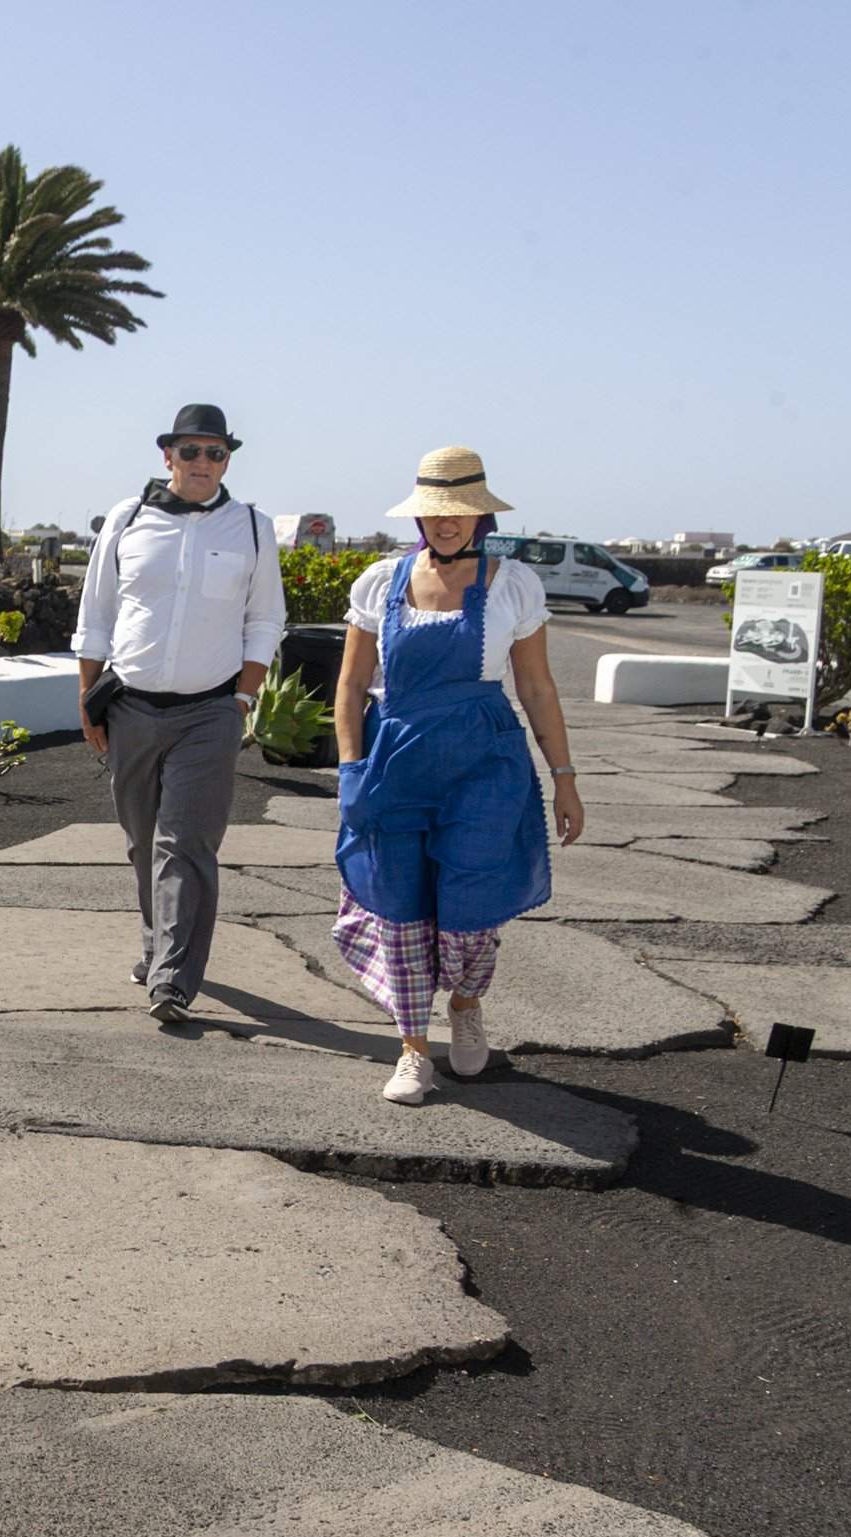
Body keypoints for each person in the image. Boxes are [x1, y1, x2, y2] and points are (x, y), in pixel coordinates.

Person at [330, 446, 585, 1105]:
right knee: (400, 904)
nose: (447, 522)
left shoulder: (514, 584)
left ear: (481, 516)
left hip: (484, 763)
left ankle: (466, 1003)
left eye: (461, 510)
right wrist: (351, 769)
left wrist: (563, 775)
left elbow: (537, 687)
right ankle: (413, 1047)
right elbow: (352, 685)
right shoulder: (380, 582)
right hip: (395, 760)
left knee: (471, 905)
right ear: (419, 516)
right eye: (435, 511)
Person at [74, 403, 285, 1024]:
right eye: (190, 451)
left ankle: (172, 979)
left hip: (210, 712)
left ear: (227, 461)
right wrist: (87, 701)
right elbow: (96, 616)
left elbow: (265, 619)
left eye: (215, 452)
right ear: (168, 456)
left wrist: (243, 699)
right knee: (144, 842)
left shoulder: (252, 528)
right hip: (130, 709)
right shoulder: (127, 519)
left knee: (186, 843)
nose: (202, 462)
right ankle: (157, 945)